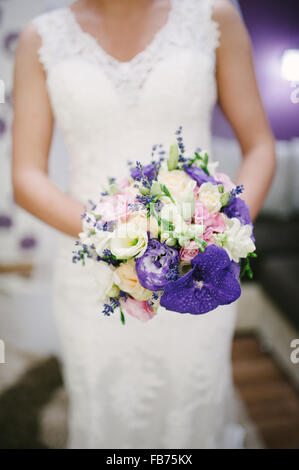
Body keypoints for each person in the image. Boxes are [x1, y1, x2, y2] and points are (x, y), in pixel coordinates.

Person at [12, 0, 276, 448]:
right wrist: (114, 237)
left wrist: (223, 230)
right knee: (105, 409)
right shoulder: (41, 37)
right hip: (92, 269)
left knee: (190, 401)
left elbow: (261, 146)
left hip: (197, 269)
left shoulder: (214, 17)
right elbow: (26, 177)